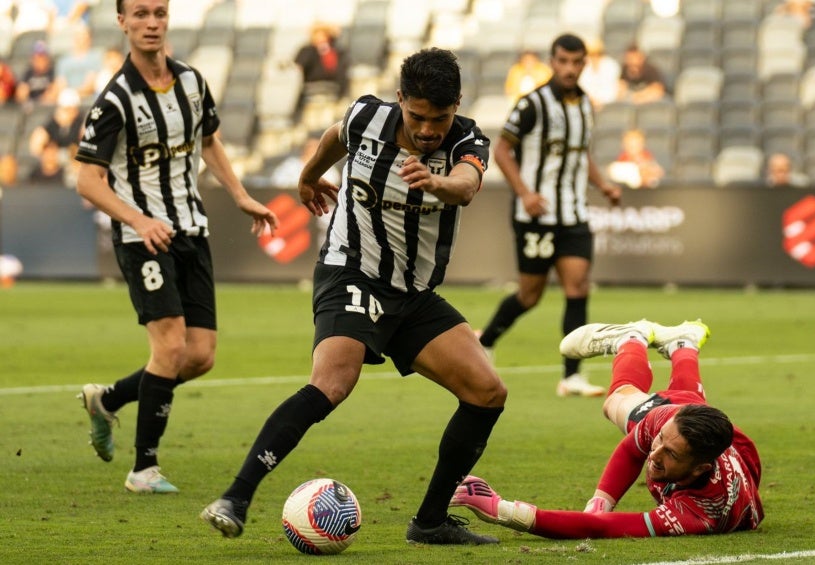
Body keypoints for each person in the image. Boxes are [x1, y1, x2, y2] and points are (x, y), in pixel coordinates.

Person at [201, 46, 507, 546]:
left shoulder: (467, 139)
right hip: (352, 273)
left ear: (457, 108)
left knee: (487, 392)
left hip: (413, 294)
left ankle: (429, 522)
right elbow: (333, 137)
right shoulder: (366, 116)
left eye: (441, 118)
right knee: (334, 381)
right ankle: (236, 496)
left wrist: (436, 181)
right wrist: (306, 176)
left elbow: (468, 185)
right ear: (400, 99)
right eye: (418, 117)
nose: (430, 129)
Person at [74, 0, 279, 494]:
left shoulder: (191, 81)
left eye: (159, 13)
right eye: (140, 14)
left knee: (200, 355)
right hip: (143, 236)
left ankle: (108, 400)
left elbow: (209, 142)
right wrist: (139, 219)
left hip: (191, 228)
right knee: (168, 346)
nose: (151, 23)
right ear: (122, 21)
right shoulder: (114, 99)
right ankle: (143, 469)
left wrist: (241, 195)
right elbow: (88, 180)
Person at [451, 319, 763, 539]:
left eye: (670, 454)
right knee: (620, 399)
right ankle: (632, 338)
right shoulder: (667, 424)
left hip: (733, 463)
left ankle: (678, 343)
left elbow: (603, 529)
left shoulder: (696, 513)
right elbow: (631, 449)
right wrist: (600, 503)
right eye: (659, 441)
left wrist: (501, 510)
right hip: (728, 444)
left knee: (648, 400)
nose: (653, 454)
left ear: (699, 469)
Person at [477, 34, 622, 398]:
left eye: (577, 63)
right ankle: (486, 340)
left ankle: (571, 375)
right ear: (552, 62)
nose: (570, 69)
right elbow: (503, 150)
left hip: (573, 213)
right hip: (536, 216)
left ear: (584, 64)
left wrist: (603, 185)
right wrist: (525, 193)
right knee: (530, 295)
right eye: (563, 61)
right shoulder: (532, 104)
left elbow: (580, 154)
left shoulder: (586, 104)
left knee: (578, 287)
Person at [293, 24, 350, 105]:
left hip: (332, 88)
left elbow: (342, 71)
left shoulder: (337, 51)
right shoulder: (307, 50)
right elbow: (299, 65)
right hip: (311, 88)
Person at [54, 24, 104, 100]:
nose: (81, 39)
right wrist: (69, 94)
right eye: (79, 36)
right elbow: (61, 84)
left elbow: (90, 85)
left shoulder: (95, 56)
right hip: (66, 97)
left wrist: (73, 94)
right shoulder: (63, 60)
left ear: (89, 38)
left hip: (87, 96)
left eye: (84, 36)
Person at [15, 40, 60, 107]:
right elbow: (21, 94)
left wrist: (40, 102)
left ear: (47, 59)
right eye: (36, 58)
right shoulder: (28, 73)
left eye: (42, 58)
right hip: (30, 106)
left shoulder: (53, 72)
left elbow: (54, 92)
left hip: (47, 106)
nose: (39, 61)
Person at [578, 39, 620, 111]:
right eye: (591, 54)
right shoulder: (583, 66)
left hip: (608, 106)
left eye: (597, 54)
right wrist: (591, 100)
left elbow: (612, 88)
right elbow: (582, 87)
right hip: (587, 105)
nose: (594, 57)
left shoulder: (611, 65)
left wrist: (600, 101)